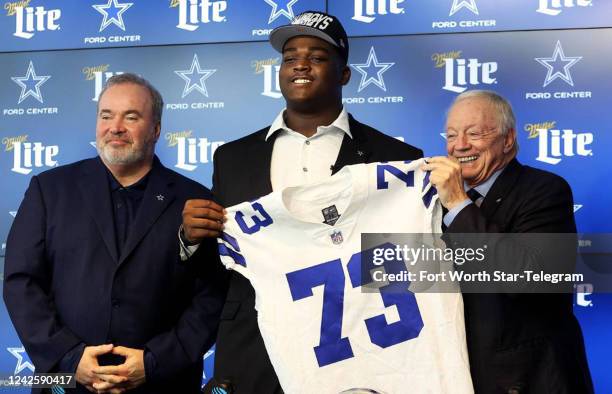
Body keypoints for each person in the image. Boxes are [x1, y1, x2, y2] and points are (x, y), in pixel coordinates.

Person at [181, 11, 422, 393]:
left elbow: (398, 266)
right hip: (253, 349)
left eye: (318, 56)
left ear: (344, 74)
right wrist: (191, 239)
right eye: (290, 57)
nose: (301, 65)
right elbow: (221, 269)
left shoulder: (395, 158)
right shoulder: (232, 158)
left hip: (355, 346)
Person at [3, 73, 227, 394]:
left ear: (156, 130)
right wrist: (68, 357)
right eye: (106, 115)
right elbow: (21, 281)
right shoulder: (49, 190)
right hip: (65, 385)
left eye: (131, 116)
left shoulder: (196, 200)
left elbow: (213, 295)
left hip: (162, 385)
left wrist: (155, 363)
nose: (115, 126)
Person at [423, 90, 593, 393]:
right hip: (459, 377)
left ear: (508, 139)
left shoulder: (545, 191)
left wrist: (460, 205)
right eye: (451, 135)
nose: (460, 145)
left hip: (530, 381)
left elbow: (529, 277)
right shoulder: (432, 203)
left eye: (473, 133)